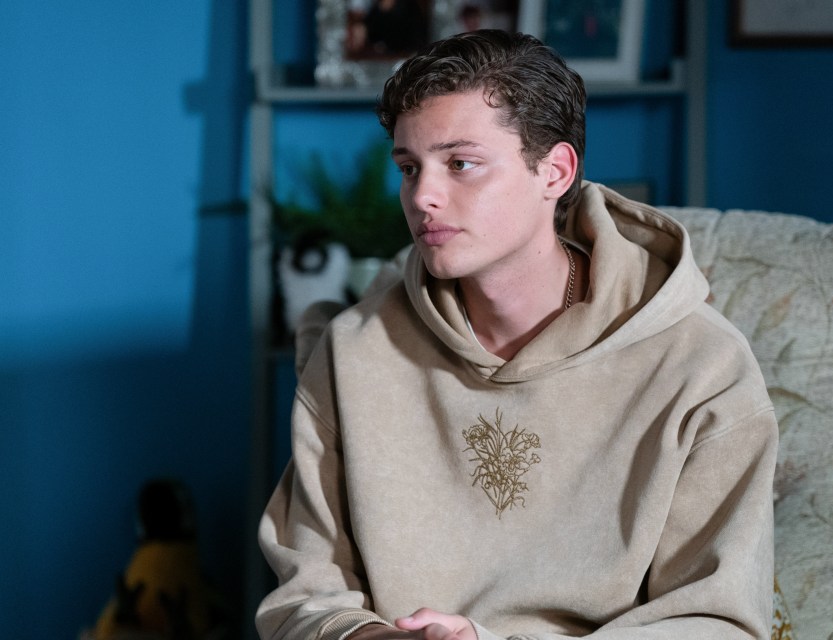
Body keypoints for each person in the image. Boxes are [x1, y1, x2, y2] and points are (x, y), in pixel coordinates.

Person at [257, 29, 778, 640]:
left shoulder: (703, 366)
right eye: (408, 167)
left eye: (461, 163)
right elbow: (305, 597)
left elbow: (717, 623)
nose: (422, 195)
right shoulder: (352, 351)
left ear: (554, 171)